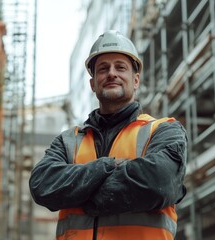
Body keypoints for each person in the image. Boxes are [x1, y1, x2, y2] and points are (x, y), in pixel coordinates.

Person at [29, 30, 187, 240]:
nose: (112, 73)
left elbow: (158, 183)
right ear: (93, 83)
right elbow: (42, 185)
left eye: (120, 67)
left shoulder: (163, 131)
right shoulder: (68, 141)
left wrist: (81, 194)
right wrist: (107, 166)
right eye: (103, 69)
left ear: (136, 80)